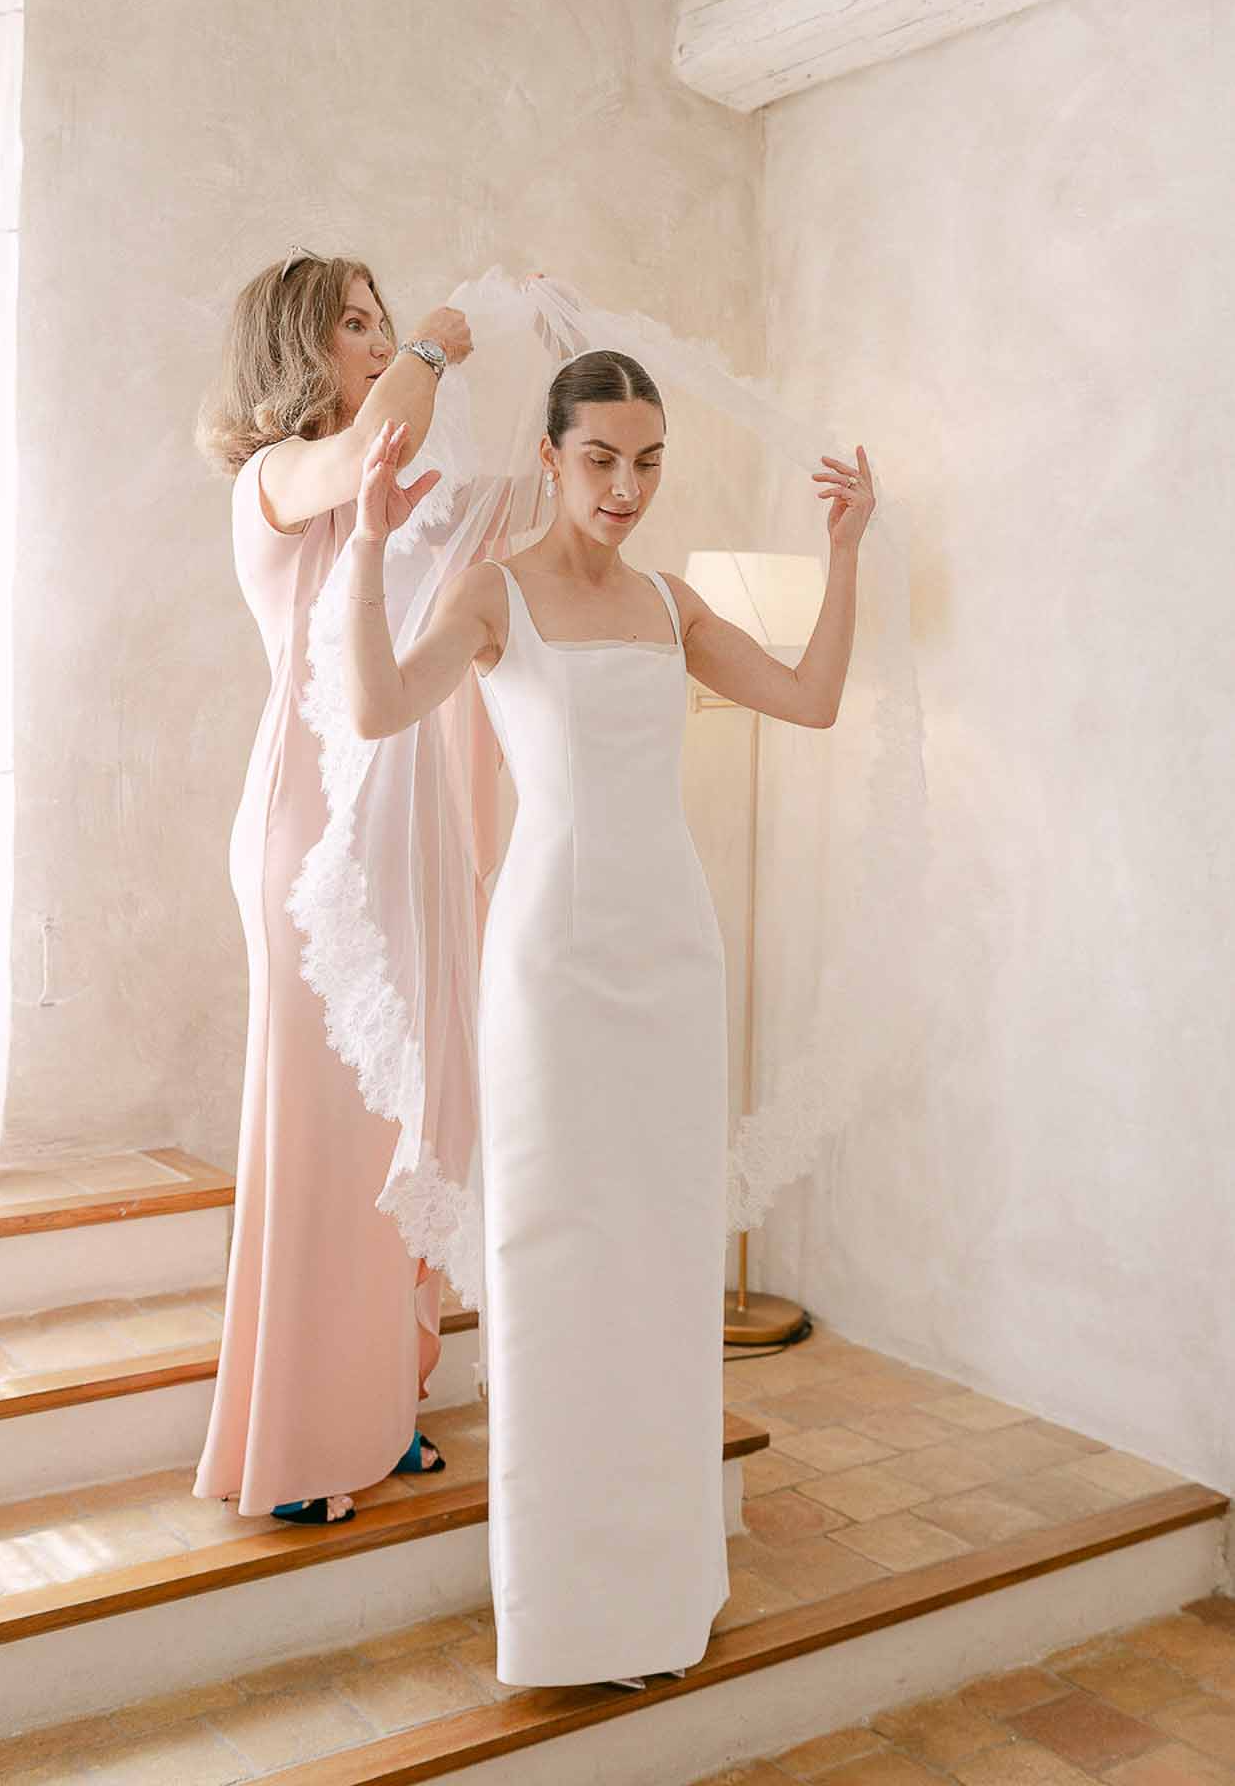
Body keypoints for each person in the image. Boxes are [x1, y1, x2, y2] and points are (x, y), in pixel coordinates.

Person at [340, 345, 875, 1687]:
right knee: (555, 1259)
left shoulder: (671, 605)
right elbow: (371, 703)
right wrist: (362, 544)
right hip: (549, 969)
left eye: (646, 461)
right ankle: (567, 1616)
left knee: (659, 1261)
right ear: (549, 457)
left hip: (673, 961)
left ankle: (660, 1596)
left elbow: (809, 700)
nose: (626, 487)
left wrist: (846, 547)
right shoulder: (492, 597)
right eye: (600, 459)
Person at [191, 249, 473, 1525]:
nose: (379, 338)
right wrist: (442, 344)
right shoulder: (274, 478)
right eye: (354, 324)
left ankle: (378, 1404)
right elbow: (368, 449)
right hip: (309, 833)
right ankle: (300, 1442)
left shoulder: (379, 476)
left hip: (394, 826)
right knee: (317, 1130)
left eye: (386, 320)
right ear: (299, 349)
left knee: (388, 1124)